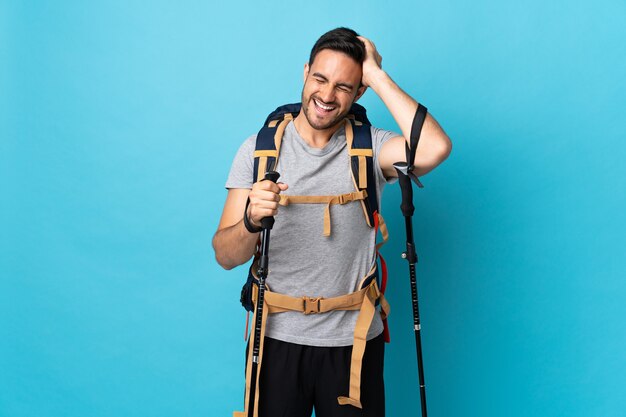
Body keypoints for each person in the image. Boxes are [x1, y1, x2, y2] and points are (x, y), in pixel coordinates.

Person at [213, 27, 451, 417]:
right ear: (305, 72)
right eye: (320, 79)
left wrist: (375, 75)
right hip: (275, 340)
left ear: (359, 93)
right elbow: (225, 255)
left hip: (353, 343)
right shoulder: (258, 151)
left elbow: (436, 148)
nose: (326, 95)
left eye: (344, 86)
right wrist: (251, 221)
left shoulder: (370, 147)